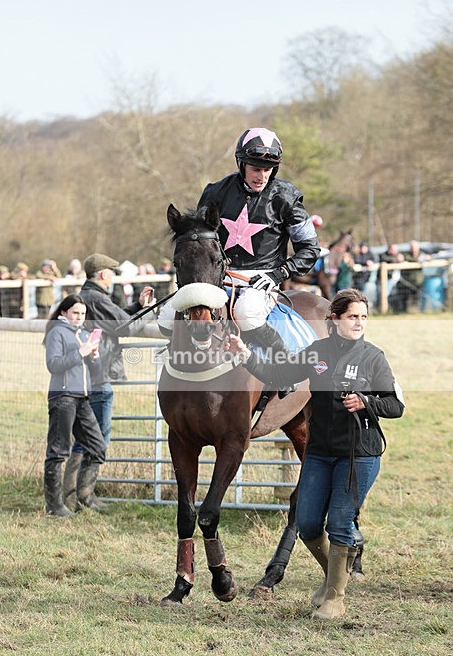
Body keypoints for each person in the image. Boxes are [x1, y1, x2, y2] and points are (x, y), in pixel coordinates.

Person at [225, 288, 405, 621]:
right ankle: (335, 576)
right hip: (320, 452)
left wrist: (368, 402)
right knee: (307, 524)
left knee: (338, 523)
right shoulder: (316, 352)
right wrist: (244, 353)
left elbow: (396, 405)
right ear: (334, 320)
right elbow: (278, 375)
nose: (359, 323)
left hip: (359, 452)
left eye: (363, 317)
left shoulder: (373, 357)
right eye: (352, 317)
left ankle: (335, 597)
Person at [160, 128, 321, 358]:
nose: (261, 176)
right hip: (216, 277)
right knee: (167, 317)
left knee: (246, 312)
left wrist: (278, 274)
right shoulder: (215, 192)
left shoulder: (287, 197)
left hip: (262, 279)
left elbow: (310, 249)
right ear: (242, 164)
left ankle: (284, 363)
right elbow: (199, 242)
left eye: (267, 169)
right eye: (256, 169)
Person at [61, 253, 156, 511]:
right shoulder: (97, 298)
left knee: (85, 435)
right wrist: (150, 312)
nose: (112, 277)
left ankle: (72, 496)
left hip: (87, 375)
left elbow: (115, 319)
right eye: (111, 273)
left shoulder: (87, 296)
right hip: (98, 375)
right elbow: (125, 327)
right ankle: (83, 495)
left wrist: (137, 306)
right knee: (98, 436)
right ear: (103, 274)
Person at [43, 294, 106, 517]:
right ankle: (54, 506)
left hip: (82, 398)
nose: (79, 317)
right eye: (75, 313)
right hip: (63, 397)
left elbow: (96, 373)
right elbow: (53, 364)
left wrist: (94, 357)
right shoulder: (57, 332)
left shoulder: (85, 334)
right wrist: (80, 353)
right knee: (58, 451)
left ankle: (85, 497)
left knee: (97, 447)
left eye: (82, 314)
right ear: (64, 312)